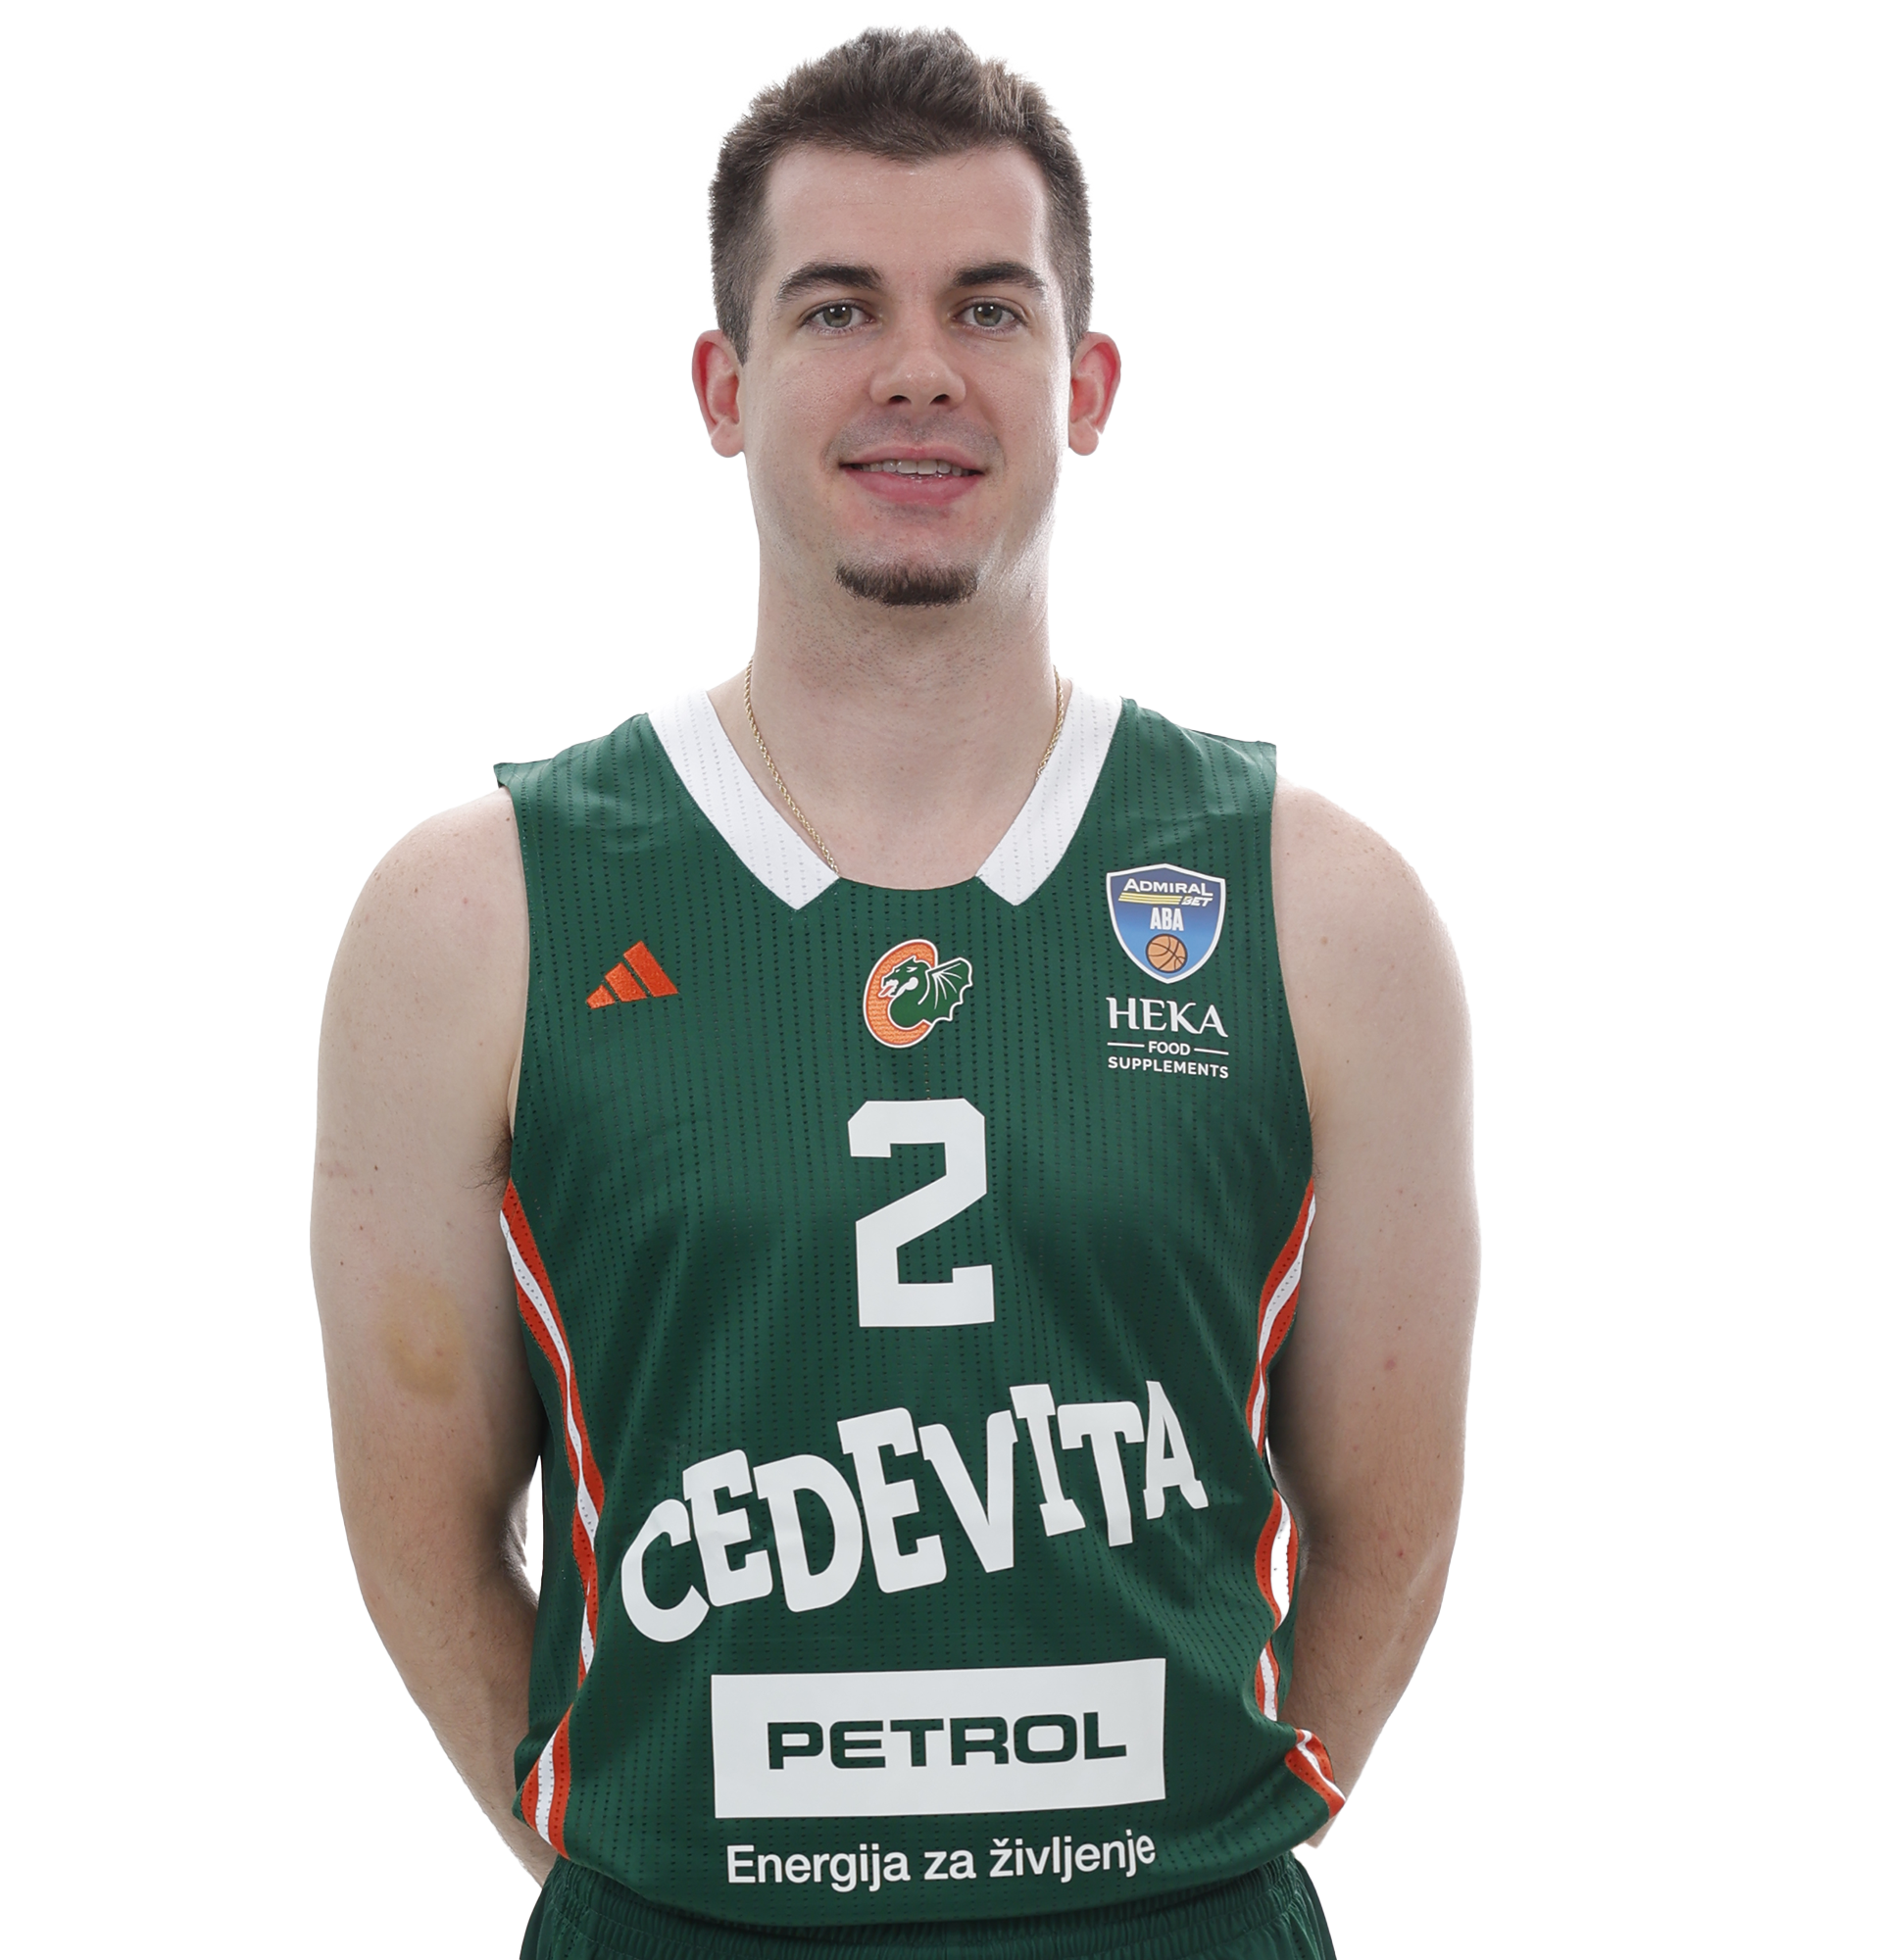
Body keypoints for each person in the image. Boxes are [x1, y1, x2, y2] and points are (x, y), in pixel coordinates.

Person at [312, 25, 1478, 1960]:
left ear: (1087, 383)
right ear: (723, 383)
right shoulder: (476, 913)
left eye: (988, 308)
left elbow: (1391, 1515)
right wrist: (653, 1868)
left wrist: (1191, 1858)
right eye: (839, 306)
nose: (917, 368)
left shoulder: (1316, 907)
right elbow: (423, 1527)